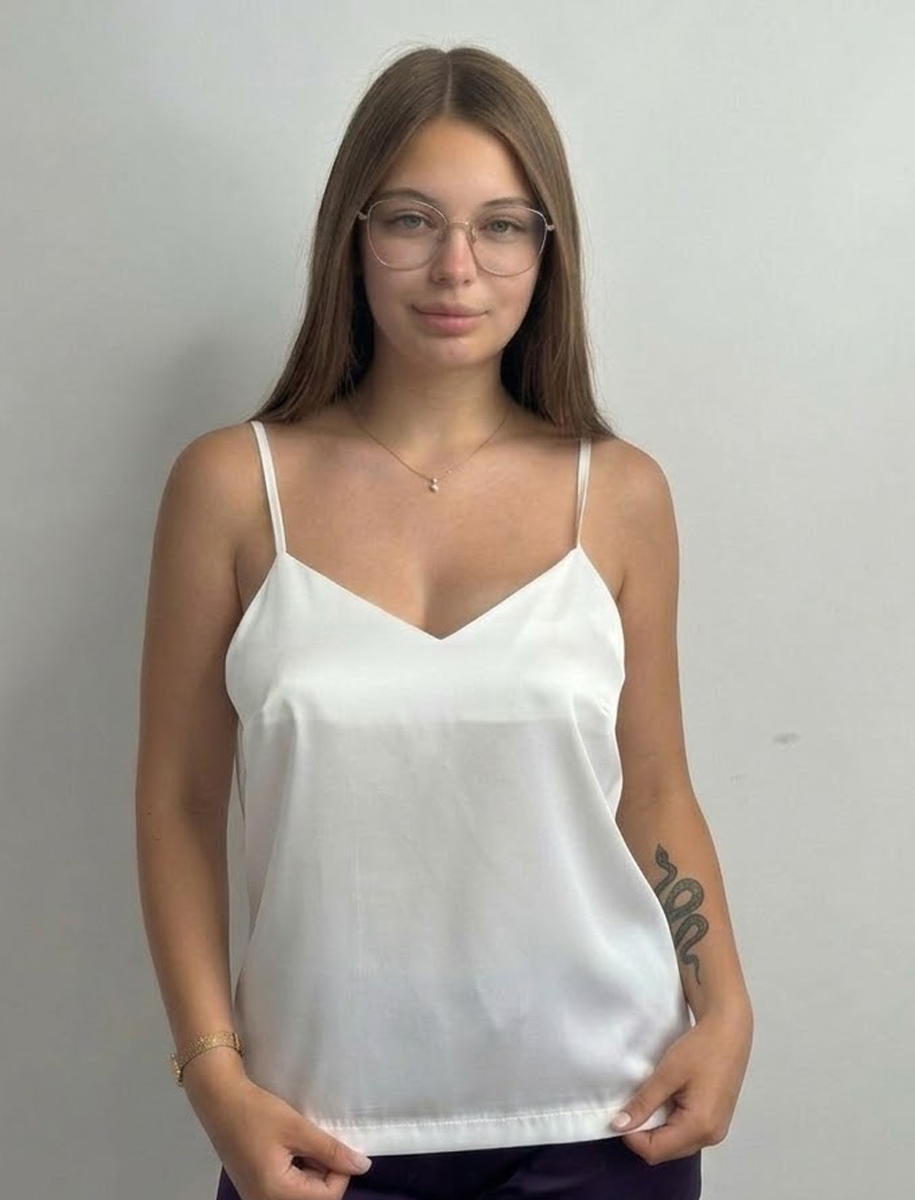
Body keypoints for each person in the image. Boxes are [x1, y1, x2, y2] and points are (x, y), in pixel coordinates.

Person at [135, 44, 753, 1200]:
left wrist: (726, 1012)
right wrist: (213, 1077)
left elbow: (655, 785)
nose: (456, 268)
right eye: (413, 220)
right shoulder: (232, 487)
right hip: (318, 1137)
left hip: (607, 1118)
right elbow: (179, 801)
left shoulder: (618, 493)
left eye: (503, 226)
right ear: (353, 234)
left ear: (548, 251)